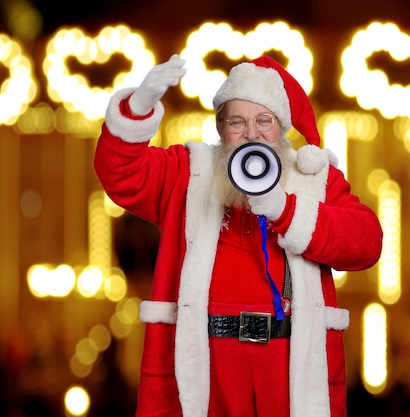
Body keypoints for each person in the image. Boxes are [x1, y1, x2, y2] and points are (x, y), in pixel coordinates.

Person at [94, 53, 383, 417]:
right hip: (206, 364)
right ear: (220, 129)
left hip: (287, 364)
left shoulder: (314, 181)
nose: (251, 134)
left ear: (281, 128)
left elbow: (367, 242)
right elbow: (119, 174)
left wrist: (286, 210)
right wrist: (137, 107)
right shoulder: (189, 174)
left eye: (264, 120)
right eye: (237, 122)